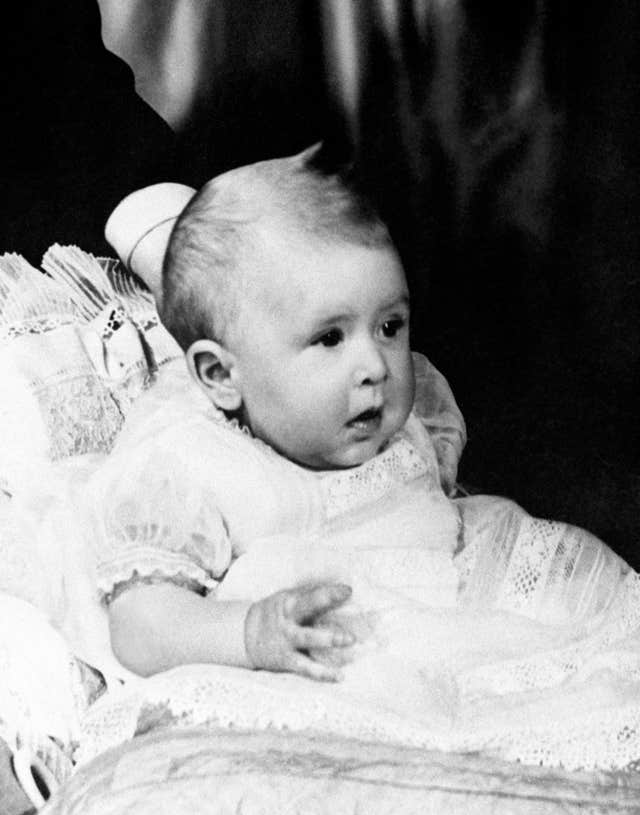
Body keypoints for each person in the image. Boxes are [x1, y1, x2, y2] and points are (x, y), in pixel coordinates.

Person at [77, 147, 640, 772]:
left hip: (450, 603)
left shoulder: (409, 413)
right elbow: (140, 624)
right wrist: (251, 633)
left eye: (390, 326)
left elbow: (433, 509)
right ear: (220, 374)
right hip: (325, 649)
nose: (374, 366)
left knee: (593, 635)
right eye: (329, 337)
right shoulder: (194, 460)